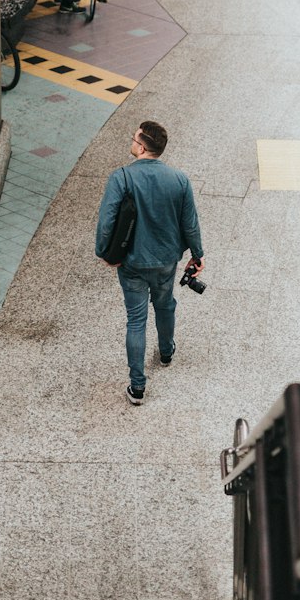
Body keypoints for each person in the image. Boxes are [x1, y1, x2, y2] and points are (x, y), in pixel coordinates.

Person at [95, 120, 203, 405]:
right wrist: (197, 254)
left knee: (136, 320)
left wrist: (105, 253)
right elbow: (189, 224)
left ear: (141, 147)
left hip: (132, 262)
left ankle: (138, 387)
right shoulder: (179, 179)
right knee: (166, 304)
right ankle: (166, 351)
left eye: (133, 138)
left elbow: (106, 222)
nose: (131, 142)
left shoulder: (121, 178)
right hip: (167, 260)